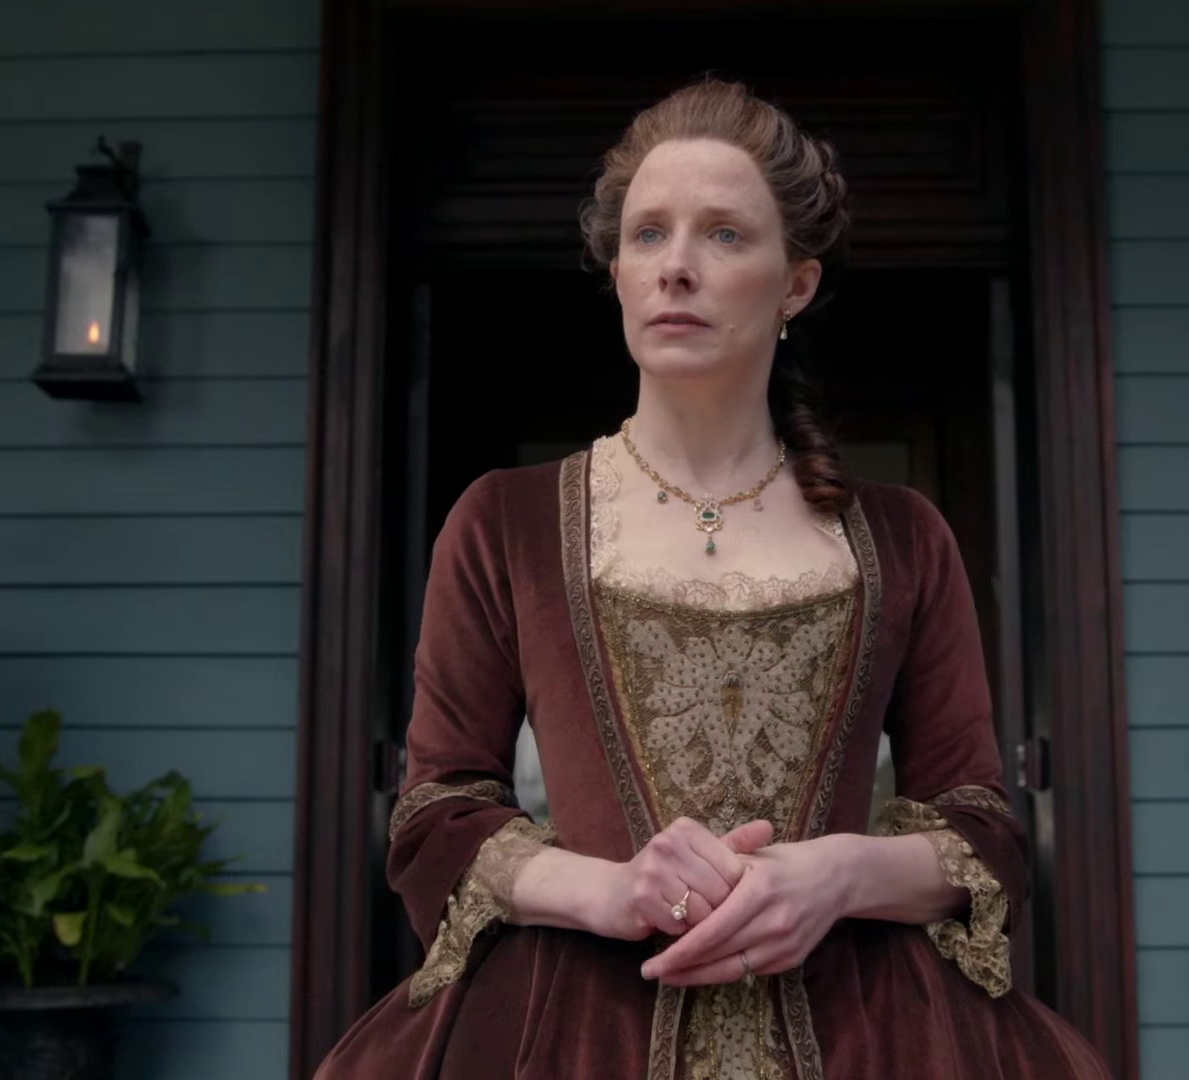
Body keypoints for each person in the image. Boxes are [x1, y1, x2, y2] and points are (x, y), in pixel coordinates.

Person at [313, 78, 1112, 1080]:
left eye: (724, 235)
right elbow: (437, 812)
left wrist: (838, 874)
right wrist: (611, 891)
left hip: (870, 1030)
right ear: (616, 272)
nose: (676, 266)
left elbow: (981, 828)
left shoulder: (904, 538)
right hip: (570, 1032)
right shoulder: (505, 523)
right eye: (647, 234)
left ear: (796, 285)